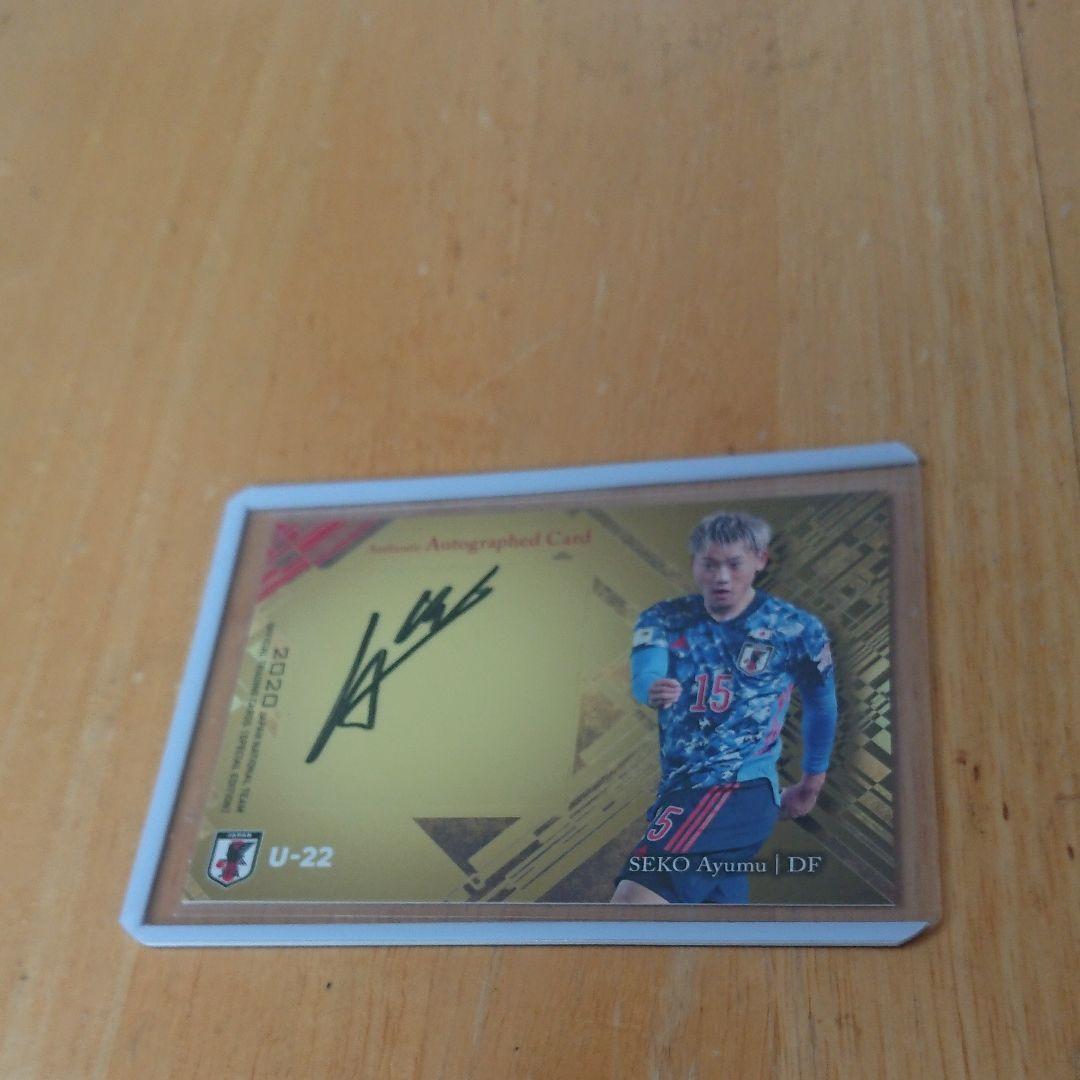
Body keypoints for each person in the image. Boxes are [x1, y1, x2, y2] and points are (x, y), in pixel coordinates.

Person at [611, 510, 837, 904]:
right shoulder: (665, 618)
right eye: (710, 564)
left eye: (734, 564)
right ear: (694, 564)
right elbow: (645, 672)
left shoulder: (794, 629)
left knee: (632, 907)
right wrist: (652, 688)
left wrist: (811, 783)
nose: (722, 577)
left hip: (732, 789)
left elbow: (821, 703)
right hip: (680, 790)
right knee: (713, 928)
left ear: (760, 560)